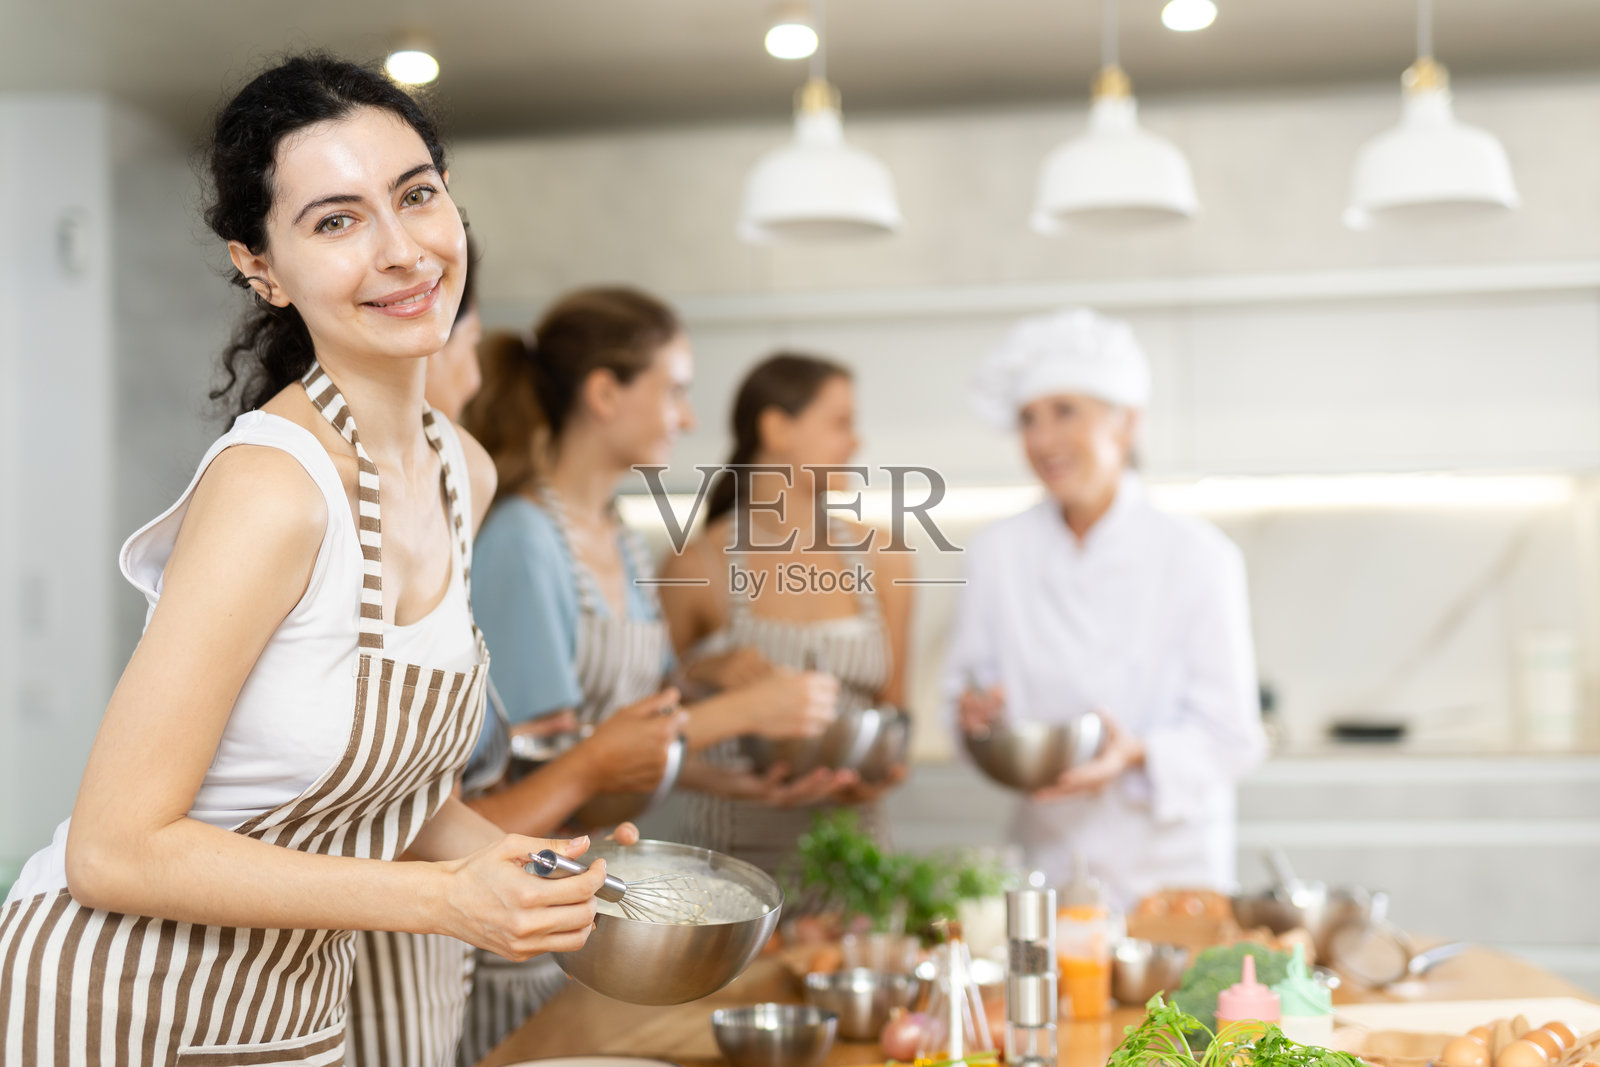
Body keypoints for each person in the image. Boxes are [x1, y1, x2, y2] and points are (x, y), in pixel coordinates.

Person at [0, 54, 605, 1066]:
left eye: (416, 196)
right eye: (336, 220)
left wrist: (534, 867)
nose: (404, 250)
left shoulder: (465, 472)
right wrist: (447, 899)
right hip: (118, 1003)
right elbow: (115, 848)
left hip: (286, 1005)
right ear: (261, 268)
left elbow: (385, 796)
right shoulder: (274, 487)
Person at [447, 288, 839, 1062]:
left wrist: (730, 760)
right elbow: (545, 775)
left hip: (592, 910)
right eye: (676, 388)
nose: (688, 417)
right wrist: (742, 711)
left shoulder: (621, 537)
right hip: (519, 932)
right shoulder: (526, 541)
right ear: (604, 392)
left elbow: (637, 732)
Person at [947, 307, 1266, 909]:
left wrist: (1136, 752)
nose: (1042, 440)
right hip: (1047, 865)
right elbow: (961, 698)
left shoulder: (1198, 555)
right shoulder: (997, 554)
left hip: (1170, 876)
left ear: (1126, 422)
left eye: (1066, 411)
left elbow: (1233, 737)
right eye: (1027, 419)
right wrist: (975, 716)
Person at [659, 352, 913, 879]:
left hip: (853, 863)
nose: (855, 441)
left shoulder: (885, 560)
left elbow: (896, 714)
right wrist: (702, 672)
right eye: (840, 423)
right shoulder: (697, 564)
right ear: (777, 428)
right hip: (729, 865)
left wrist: (876, 774)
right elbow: (648, 728)